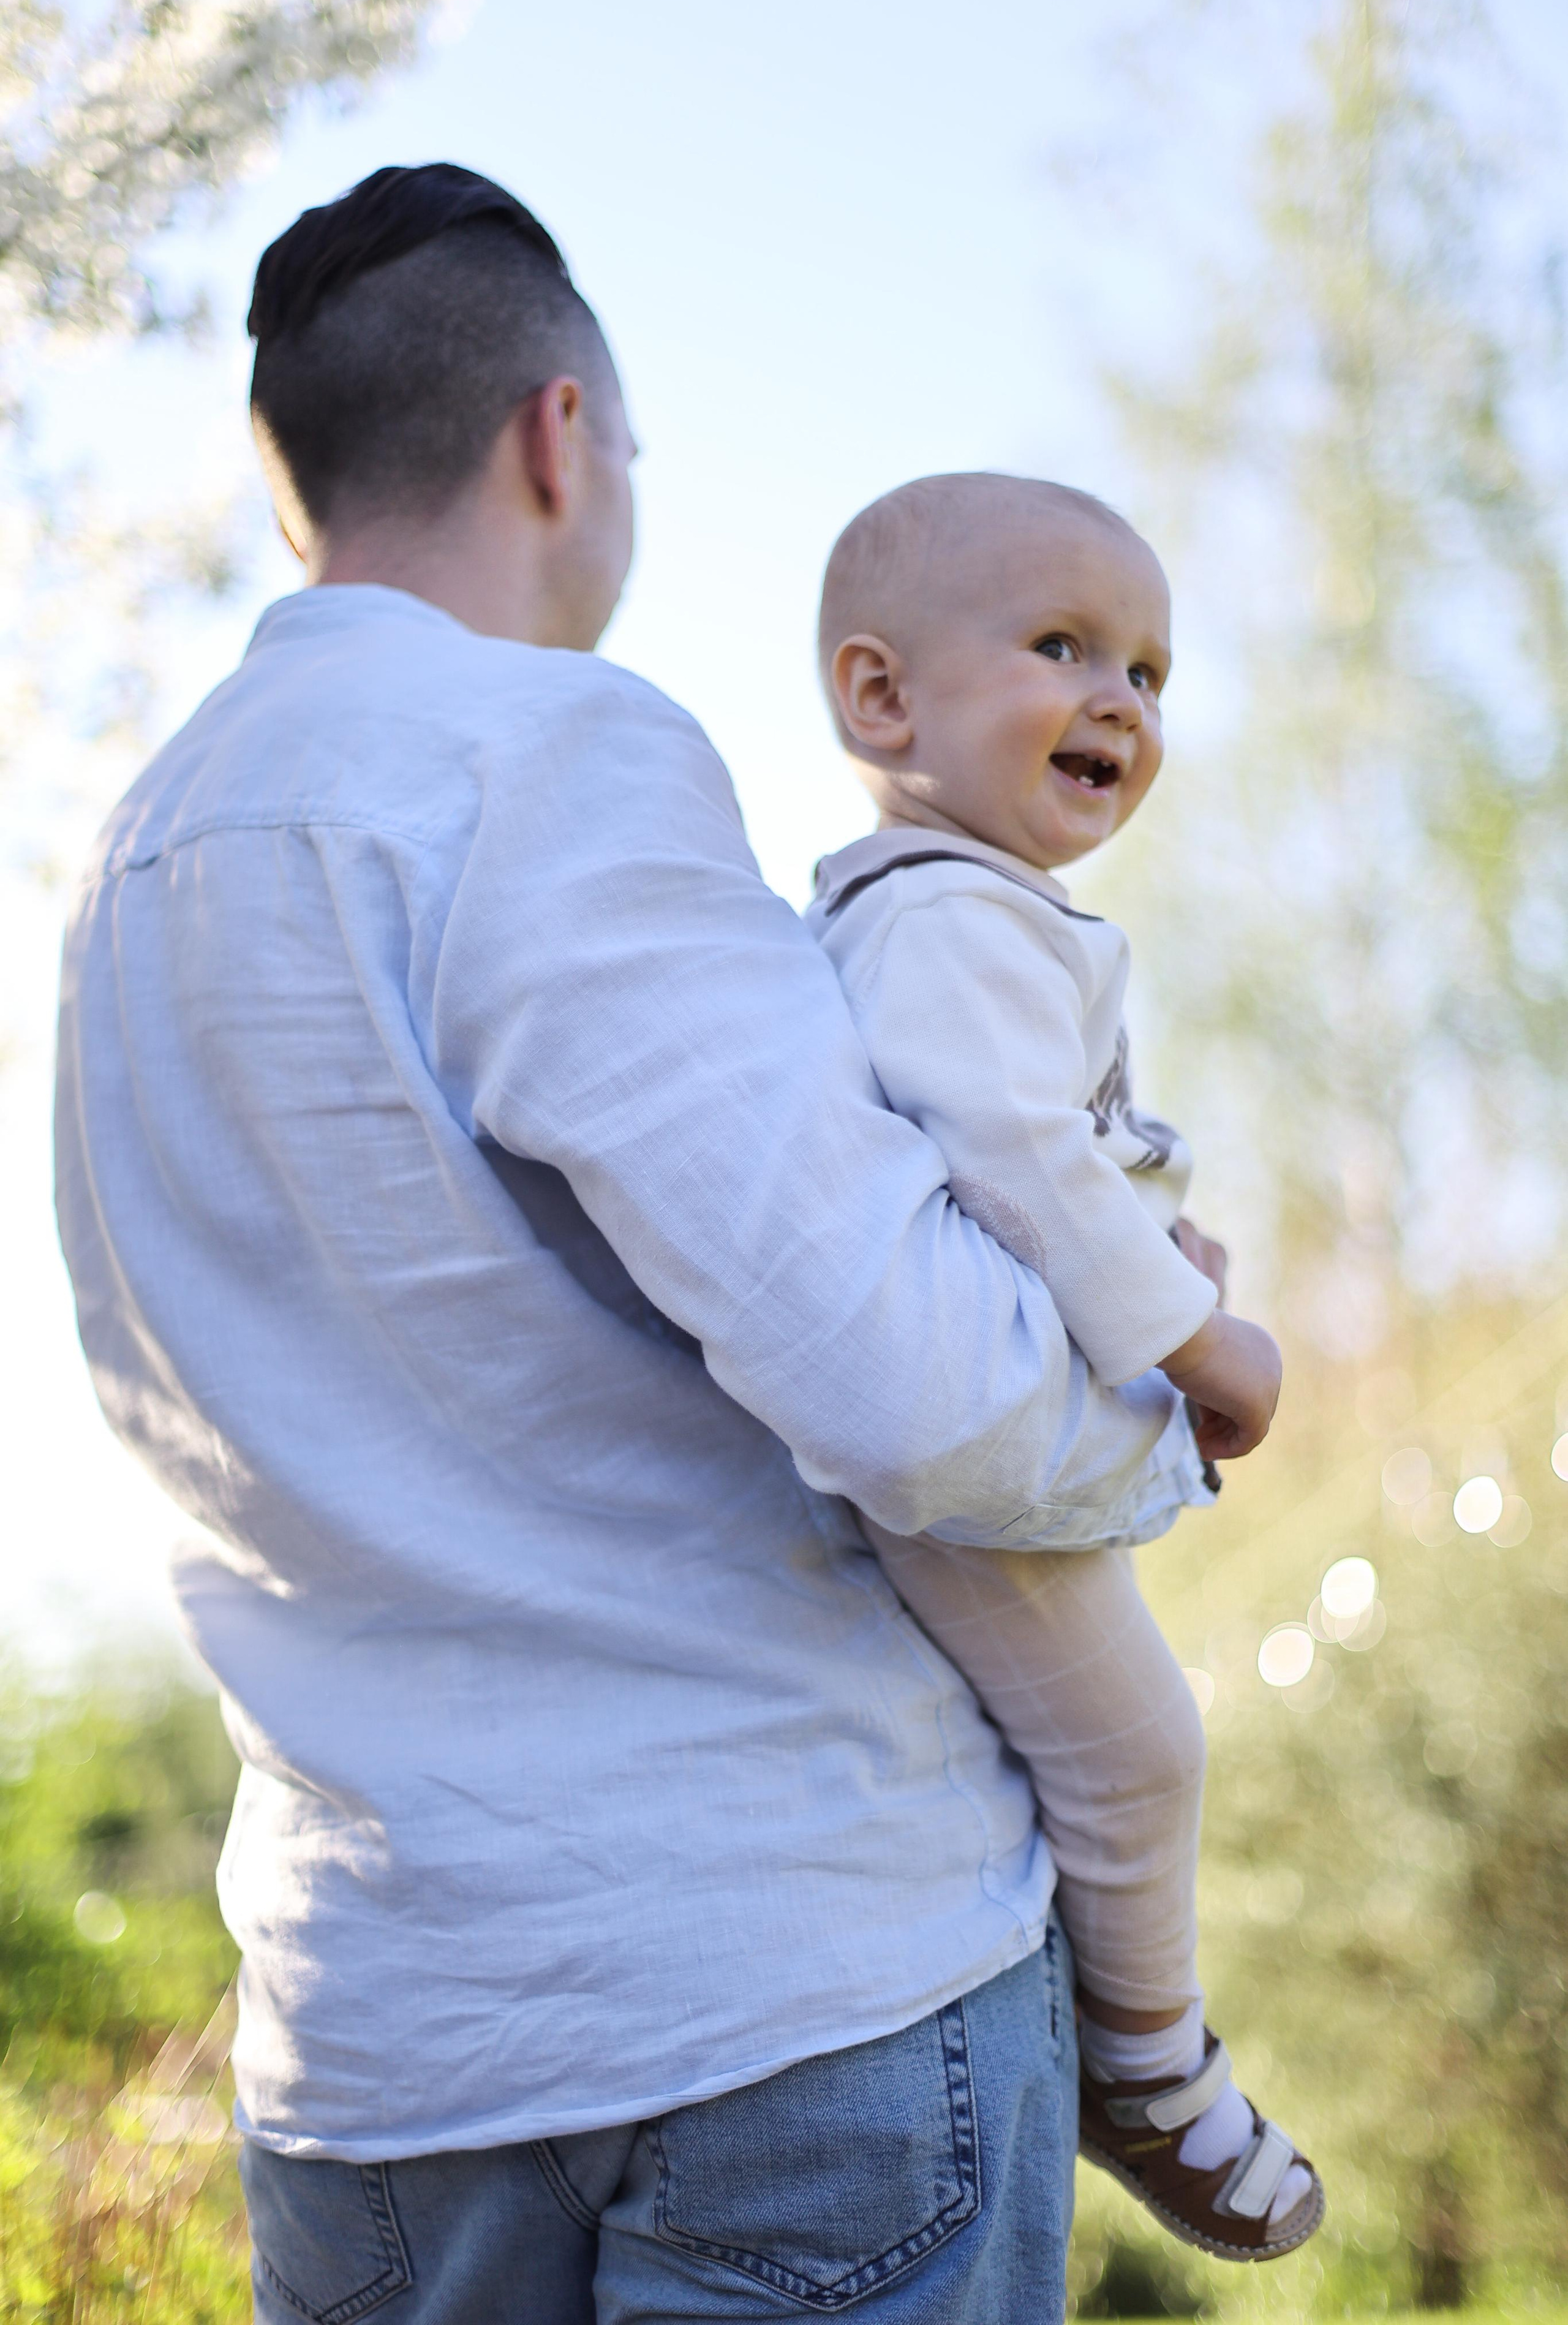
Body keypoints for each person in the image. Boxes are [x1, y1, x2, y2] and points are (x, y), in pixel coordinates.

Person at [55, 164, 1228, 2323]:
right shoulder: (547, 753)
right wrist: (1181, 1389)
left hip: (377, 2063)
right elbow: (921, 1390)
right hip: (779, 1989)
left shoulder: (124, 887)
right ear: (559, 437)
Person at [806, 472, 1325, 2261]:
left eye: (1151, 672)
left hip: (981, 1427)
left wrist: (1151, 1244)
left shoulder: (973, 914)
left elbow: (1026, 1164)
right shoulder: (949, 916)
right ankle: (1148, 2067)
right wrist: (1207, 1342)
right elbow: (1017, 1157)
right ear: (884, 701)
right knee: (1142, 1752)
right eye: (1061, 648)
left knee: (1102, 1746)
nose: (1122, 700)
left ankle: (1125, 2039)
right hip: (966, 1465)